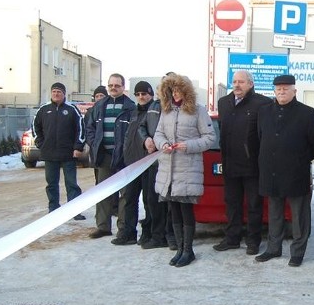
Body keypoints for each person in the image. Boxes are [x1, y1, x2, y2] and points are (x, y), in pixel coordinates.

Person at [255, 74, 314, 267]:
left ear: (295, 91)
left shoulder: (307, 113)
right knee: (274, 212)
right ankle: (273, 248)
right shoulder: (264, 111)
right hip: (271, 170)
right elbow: (260, 137)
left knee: (299, 215)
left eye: (286, 88)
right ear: (274, 91)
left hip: (295, 171)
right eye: (278, 89)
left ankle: (297, 252)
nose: (282, 91)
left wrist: (299, 158)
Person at [153, 74, 216, 267]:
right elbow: (158, 133)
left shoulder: (198, 111)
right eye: (173, 91)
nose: (176, 94)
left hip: (188, 170)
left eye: (179, 90)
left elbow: (209, 137)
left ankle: (188, 250)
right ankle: (179, 248)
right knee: (174, 210)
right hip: (169, 169)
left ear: (186, 91)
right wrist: (162, 143)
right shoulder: (166, 111)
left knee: (186, 210)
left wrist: (188, 145)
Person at [214, 70, 272, 255]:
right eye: (234, 81)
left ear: (251, 84)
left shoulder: (262, 103)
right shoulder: (224, 103)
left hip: (252, 165)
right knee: (231, 203)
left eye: (241, 82)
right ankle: (232, 238)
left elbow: (266, 135)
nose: (237, 85)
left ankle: (253, 241)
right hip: (230, 163)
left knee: (254, 205)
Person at [112, 80, 167, 248]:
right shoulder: (134, 112)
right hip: (132, 163)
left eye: (144, 93)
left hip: (149, 163)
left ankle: (148, 233)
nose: (141, 97)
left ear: (151, 94)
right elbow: (130, 136)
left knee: (149, 201)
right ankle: (128, 233)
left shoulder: (156, 109)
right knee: (129, 198)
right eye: (138, 94)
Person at [85, 73, 136, 239]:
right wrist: (94, 143)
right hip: (104, 155)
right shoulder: (99, 106)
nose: (113, 88)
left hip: (123, 157)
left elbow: (134, 131)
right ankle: (103, 227)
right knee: (103, 192)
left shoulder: (130, 107)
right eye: (111, 85)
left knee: (125, 194)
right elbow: (90, 127)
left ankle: (123, 228)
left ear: (123, 87)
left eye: (117, 85)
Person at [32, 82, 86, 220]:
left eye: (59, 92)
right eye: (54, 92)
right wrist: (40, 143)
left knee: (72, 184)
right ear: (51, 93)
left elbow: (80, 128)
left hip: (68, 154)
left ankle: (74, 210)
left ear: (64, 94)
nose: (56, 94)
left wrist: (78, 147)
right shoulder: (43, 110)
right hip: (49, 154)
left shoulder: (72, 110)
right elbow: (35, 127)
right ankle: (53, 209)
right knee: (51, 184)